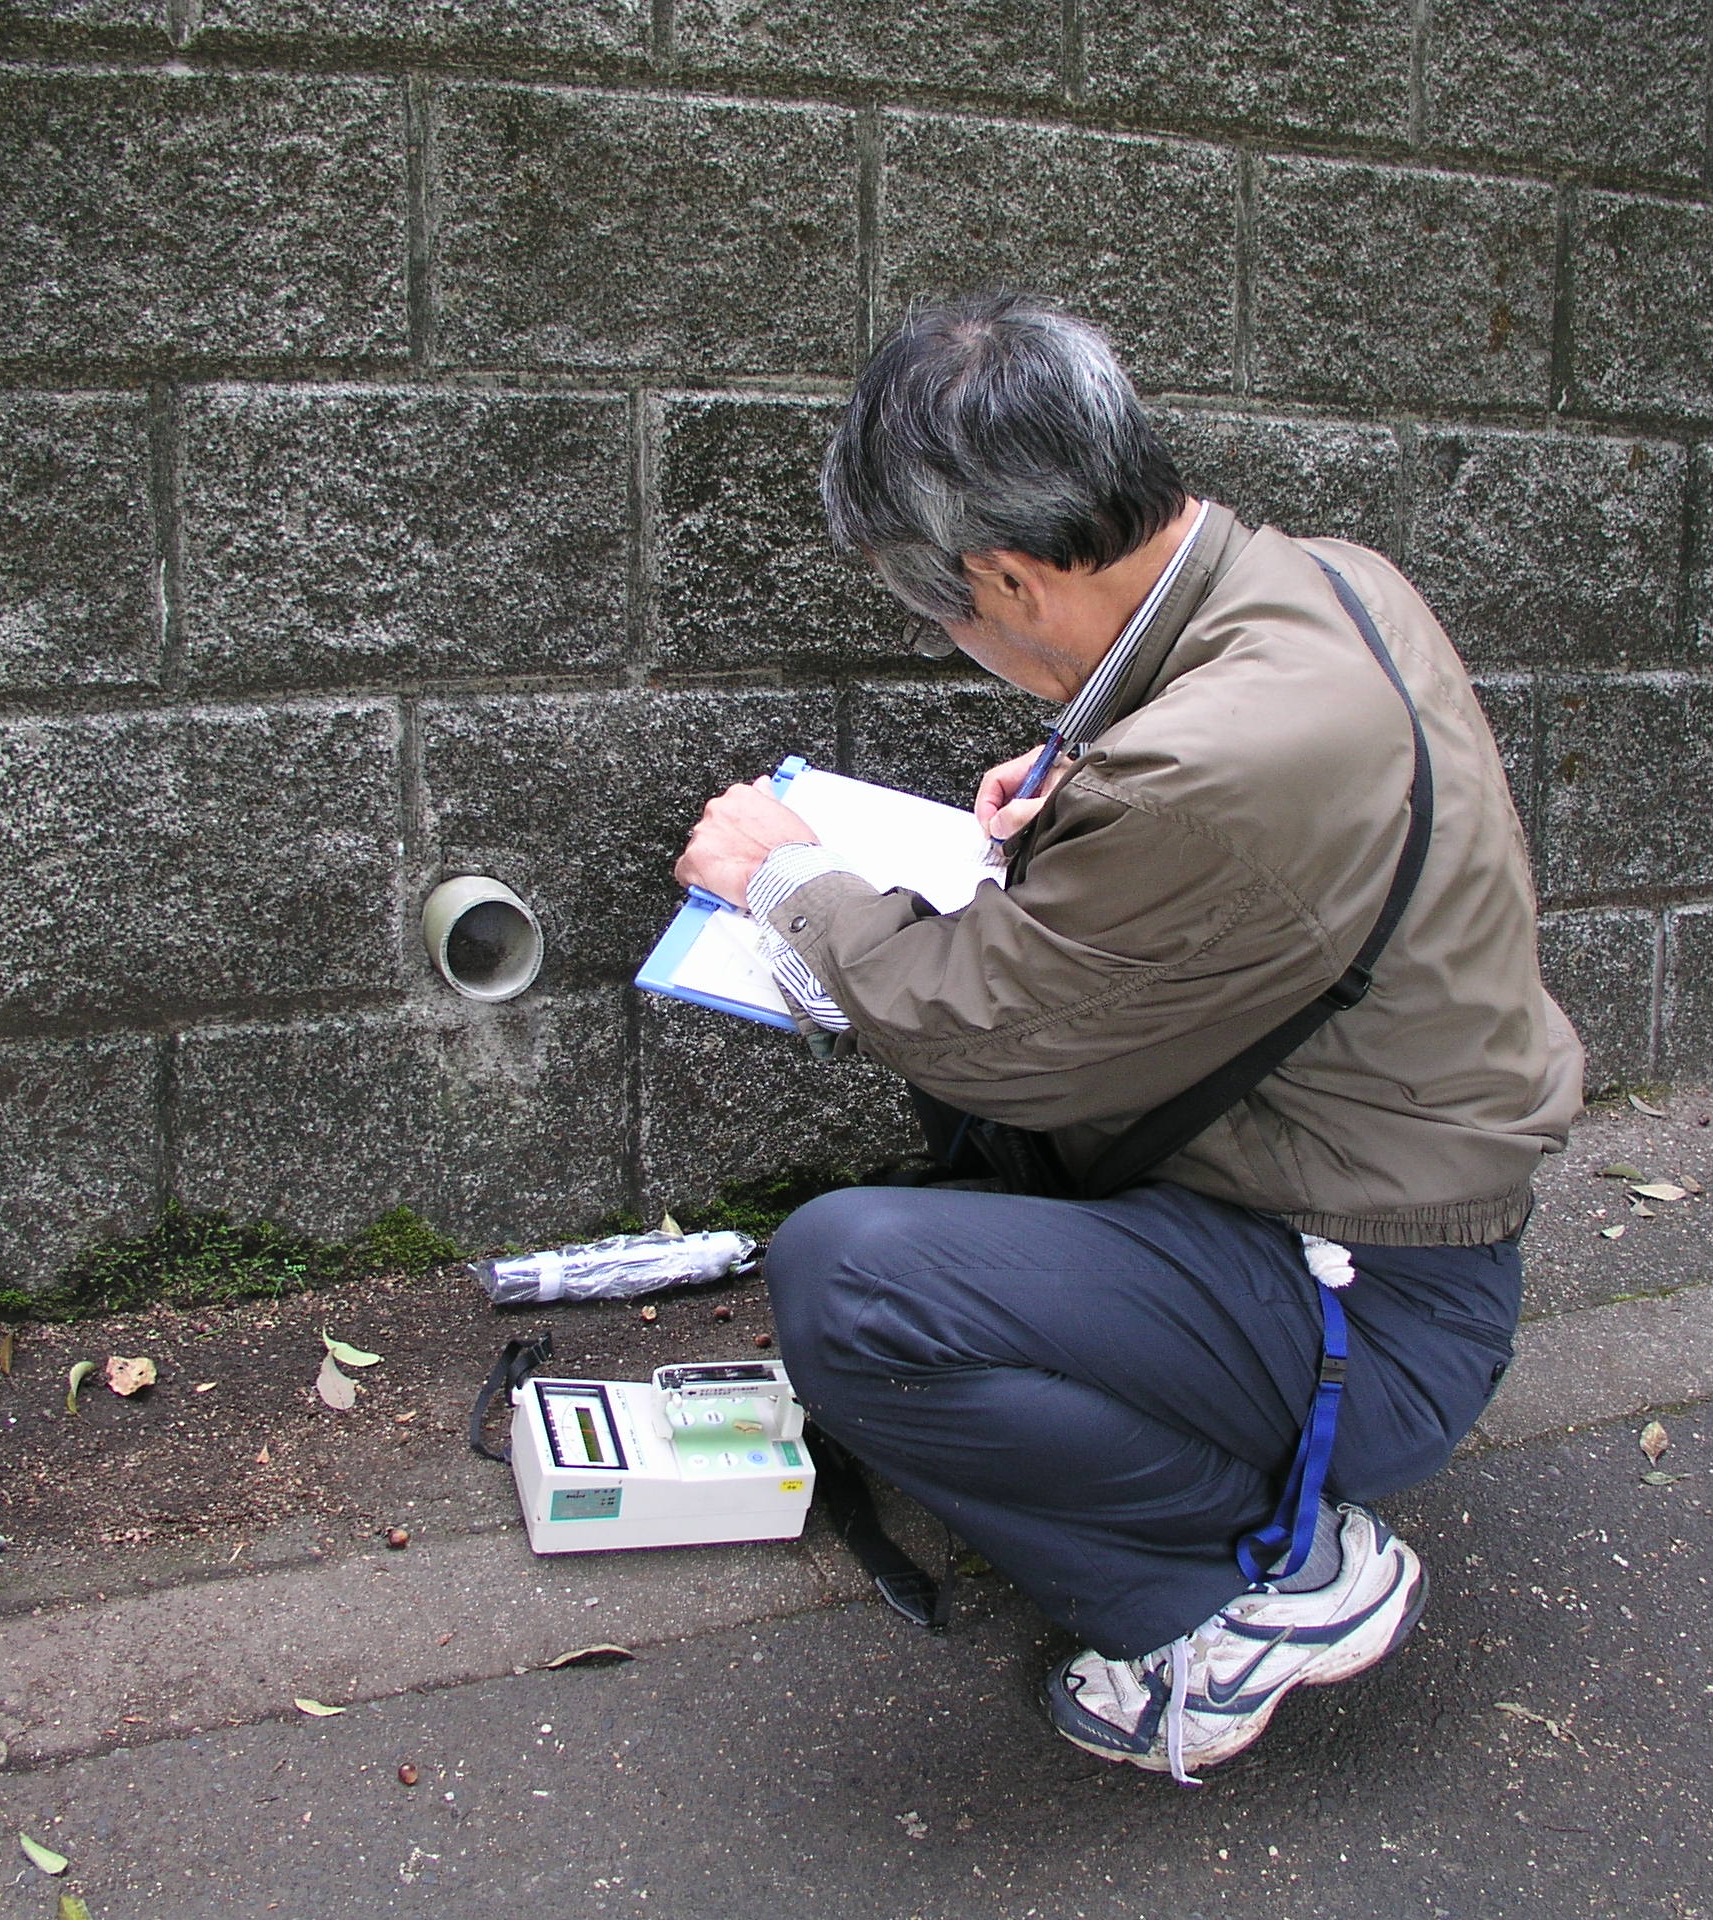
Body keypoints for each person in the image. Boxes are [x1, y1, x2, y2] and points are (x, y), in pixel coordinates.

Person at [672, 291, 1582, 1783]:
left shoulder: (1203, 771)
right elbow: (1246, 814)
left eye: (943, 611)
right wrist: (1073, 780)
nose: (955, 642)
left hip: (1376, 1320)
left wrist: (782, 879)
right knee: (954, 1199)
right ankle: (1182, 1465)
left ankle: (1245, 1599)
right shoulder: (1324, 582)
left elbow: (978, 1030)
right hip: (1377, 1214)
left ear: (1014, 575)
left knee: (849, 1287)